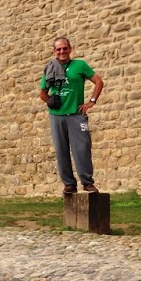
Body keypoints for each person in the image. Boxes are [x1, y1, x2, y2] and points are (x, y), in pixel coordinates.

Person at [39, 37, 104, 196]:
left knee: (82, 148)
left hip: (76, 114)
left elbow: (98, 82)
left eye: (64, 48)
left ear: (70, 49)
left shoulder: (79, 65)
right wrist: (52, 102)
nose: (62, 52)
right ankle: (69, 184)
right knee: (61, 150)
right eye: (58, 49)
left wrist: (91, 102)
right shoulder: (50, 68)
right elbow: (42, 93)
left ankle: (88, 183)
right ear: (54, 51)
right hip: (57, 116)